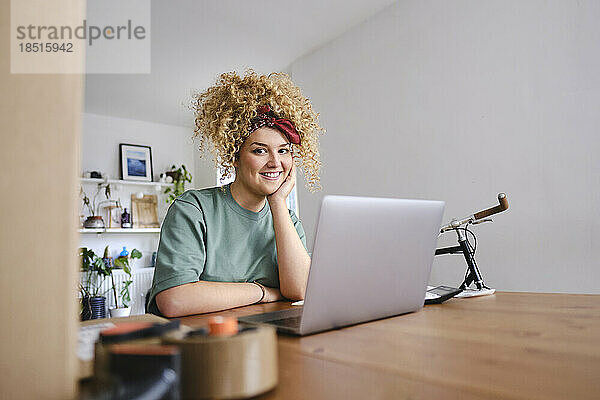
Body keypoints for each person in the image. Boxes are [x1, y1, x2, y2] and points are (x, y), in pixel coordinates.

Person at [146, 69, 324, 317]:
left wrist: (279, 203)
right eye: (260, 151)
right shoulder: (194, 209)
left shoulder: (289, 221)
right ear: (235, 158)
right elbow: (174, 299)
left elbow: (301, 290)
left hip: (271, 339)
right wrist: (262, 291)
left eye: (283, 151)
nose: (275, 162)